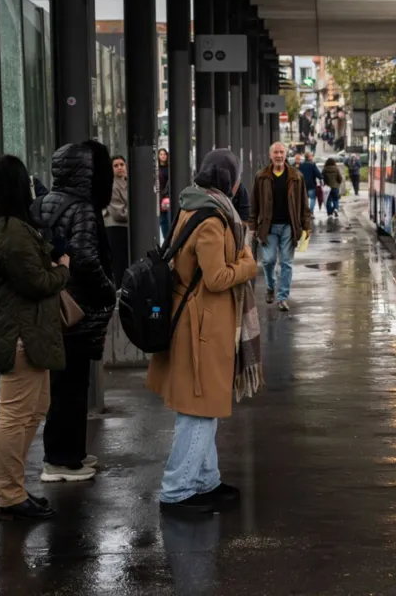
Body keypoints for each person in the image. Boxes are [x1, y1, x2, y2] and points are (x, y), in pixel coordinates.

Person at [147, 149, 259, 514]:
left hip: (200, 322)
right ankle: (177, 490)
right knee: (197, 411)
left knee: (204, 407)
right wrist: (247, 263)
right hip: (201, 327)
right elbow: (217, 277)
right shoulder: (212, 219)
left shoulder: (192, 205)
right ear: (229, 180)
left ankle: (204, 480)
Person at [0, 155, 72, 520]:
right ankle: (10, 494)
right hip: (20, 335)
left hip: (26, 332)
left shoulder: (1, 225)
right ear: (14, 186)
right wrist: (62, 271)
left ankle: (11, 487)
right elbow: (37, 282)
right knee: (15, 414)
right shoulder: (11, 230)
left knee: (35, 407)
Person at [30, 141, 117, 482]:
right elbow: (85, 258)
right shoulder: (81, 207)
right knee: (72, 386)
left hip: (55, 306)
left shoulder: (47, 201)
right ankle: (62, 460)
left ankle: (70, 453)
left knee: (64, 384)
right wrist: (107, 291)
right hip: (77, 310)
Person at [250, 142, 311, 312]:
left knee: (286, 262)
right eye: (275, 152)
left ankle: (282, 297)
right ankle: (271, 286)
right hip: (268, 227)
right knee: (268, 261)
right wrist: (253, 226)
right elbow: (254, 203)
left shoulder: (296, 177)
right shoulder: (261, 176)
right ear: (271, 155)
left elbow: (304, 203)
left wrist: (307, 225)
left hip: (289, 227)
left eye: (281, 152)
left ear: (286, 155)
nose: (278, 155)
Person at [105, 155, 130, 284]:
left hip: (124, 227)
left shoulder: (127, 181)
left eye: (122, 164)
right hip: (115, 228)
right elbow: (118, 212)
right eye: (116, 165)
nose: (120, 168)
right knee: (118, 261)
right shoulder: (111, 185)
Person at [158, 148, 171, 242]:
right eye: (161, 154)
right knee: (162, 219)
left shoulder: (170, 168)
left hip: (168, 195)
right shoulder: (156, 169)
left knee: (169, 217)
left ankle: (169, 238)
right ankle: (165, 238)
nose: (163, 156)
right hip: (160, 196)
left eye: (164, 154)